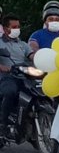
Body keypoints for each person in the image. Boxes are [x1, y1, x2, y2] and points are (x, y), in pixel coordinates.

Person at [0, 14, 34, 142]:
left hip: (24, 76)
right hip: (7, 77)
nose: (17, 29)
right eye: (14, 27)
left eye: (18, 27)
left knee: (38, 92)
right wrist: (2, 67)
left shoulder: (23, 44)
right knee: (10, 92)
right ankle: (3, 124)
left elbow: (31, 56)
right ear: (5, 28)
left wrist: (40, 58)